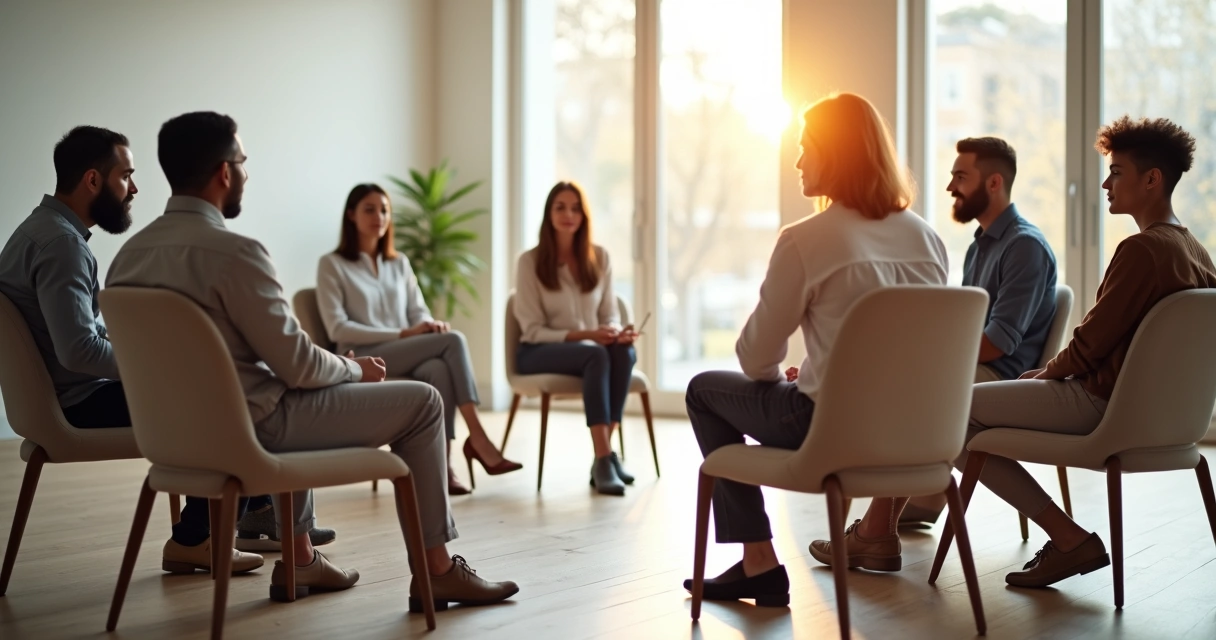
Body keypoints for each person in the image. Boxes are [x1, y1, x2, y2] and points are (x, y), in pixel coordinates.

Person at [107, 111, 518, 609]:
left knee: (291, 386)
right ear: (223, 172)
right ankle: (438, 570)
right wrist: (355, 369)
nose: (246, 173)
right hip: (254, 431)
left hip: (169, 439)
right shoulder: (236, 253)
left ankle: (300, 561)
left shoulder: (127, 258)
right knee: (426, 401)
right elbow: (298, 365)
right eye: (242, 161)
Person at [813, 115, 1215, 589]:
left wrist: (1047, 372)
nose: (1106, 183)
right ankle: (882, 528)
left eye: (1117, 172)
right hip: (1158, 417)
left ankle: (1064, 537)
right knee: (941, 407)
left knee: (946, 413)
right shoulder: (1195, 251)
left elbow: (1090, 344)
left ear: (1153, 180)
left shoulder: (1142, 250)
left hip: (1099, 403)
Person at [680, 92, 949, 606]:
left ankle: (758, 560)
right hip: (918, 437)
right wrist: (828, 367)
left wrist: (802, 378)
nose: (798, 160)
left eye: (807, 147)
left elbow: (756, 359)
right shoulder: (928, 239)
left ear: (838, 154)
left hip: (829, 430)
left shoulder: (808, 238)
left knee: (701, 390)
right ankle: (757, 563)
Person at [0, 125, 266, 575]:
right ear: (92, 180)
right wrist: (154, 366)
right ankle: (200, 537)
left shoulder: (39, 231)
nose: (134, 189)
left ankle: (258, 511)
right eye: (126, 176)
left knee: (203, 383)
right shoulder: (63, 246)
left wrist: (150, 350)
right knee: (221, 399)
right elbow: (79, 352)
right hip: (77, 404)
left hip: (58, 398)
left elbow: (80, 336)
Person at [316, 183, 522, 495]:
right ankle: (478, 437)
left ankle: (443, 467)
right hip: (359, 356)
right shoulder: (332, 264)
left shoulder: (399, 263)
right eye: (369, 209)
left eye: (384, 209)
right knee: (453, 341)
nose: (379, 216)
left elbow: (417, 311)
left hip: (401, 350)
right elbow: (338, 330)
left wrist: (428, 325)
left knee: (438, 369)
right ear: (351, 215)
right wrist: (403, 334)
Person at [900, 136, 1058, 528]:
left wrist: (937, 352)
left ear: (993, 183)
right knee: (904, 379)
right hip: (981, 370)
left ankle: (881, 523)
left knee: (911, 391)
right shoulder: (980, 247)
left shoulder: (1024, 247)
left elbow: (995, 344)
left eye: (960, 176)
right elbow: (968, 331)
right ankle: (919, 500)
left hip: (1004, 377)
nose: (951, 186)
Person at [513, 181, 639, 496]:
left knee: (624, 353)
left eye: (575, 208)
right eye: (560, 207)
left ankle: (605, 456)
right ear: (548, 214)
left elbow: (609, 313)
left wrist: (613, 332)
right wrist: (588, 335)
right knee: (594, 354)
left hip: (589, 351)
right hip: (538, 350)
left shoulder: (599, 257)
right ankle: (603, 458)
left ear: (583, 216)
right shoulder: (530, 262)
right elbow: (531, 329)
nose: (568, 214)